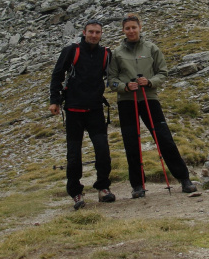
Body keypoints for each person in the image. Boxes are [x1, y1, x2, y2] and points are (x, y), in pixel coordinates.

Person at [108, 14, 197, 198]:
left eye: (134, 27)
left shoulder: (151, 48)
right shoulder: (116, 53)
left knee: (164, 138)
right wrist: (125, 86)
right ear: (123, 30)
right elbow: (111, 80)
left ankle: (184, 179)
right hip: (127, 101)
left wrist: (149, 82)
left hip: (149, 98)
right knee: (131, 142)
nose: (131, 31)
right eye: (127, 28)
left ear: (140, 27)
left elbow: (163, 73)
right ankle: (137, 185)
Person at [49, 19, 115, 210]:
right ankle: (76, 193)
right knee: (74, 156)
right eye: (91, 32)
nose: (94, 35)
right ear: (84, 32)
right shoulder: (72, 50)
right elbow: (57, 74)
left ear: (101, 34)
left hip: (95, 110)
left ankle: (103, 188)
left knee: (103, 150)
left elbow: (114, 75)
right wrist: (54, 100)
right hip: (73, 111)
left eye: (97, 32)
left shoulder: (105, 54)